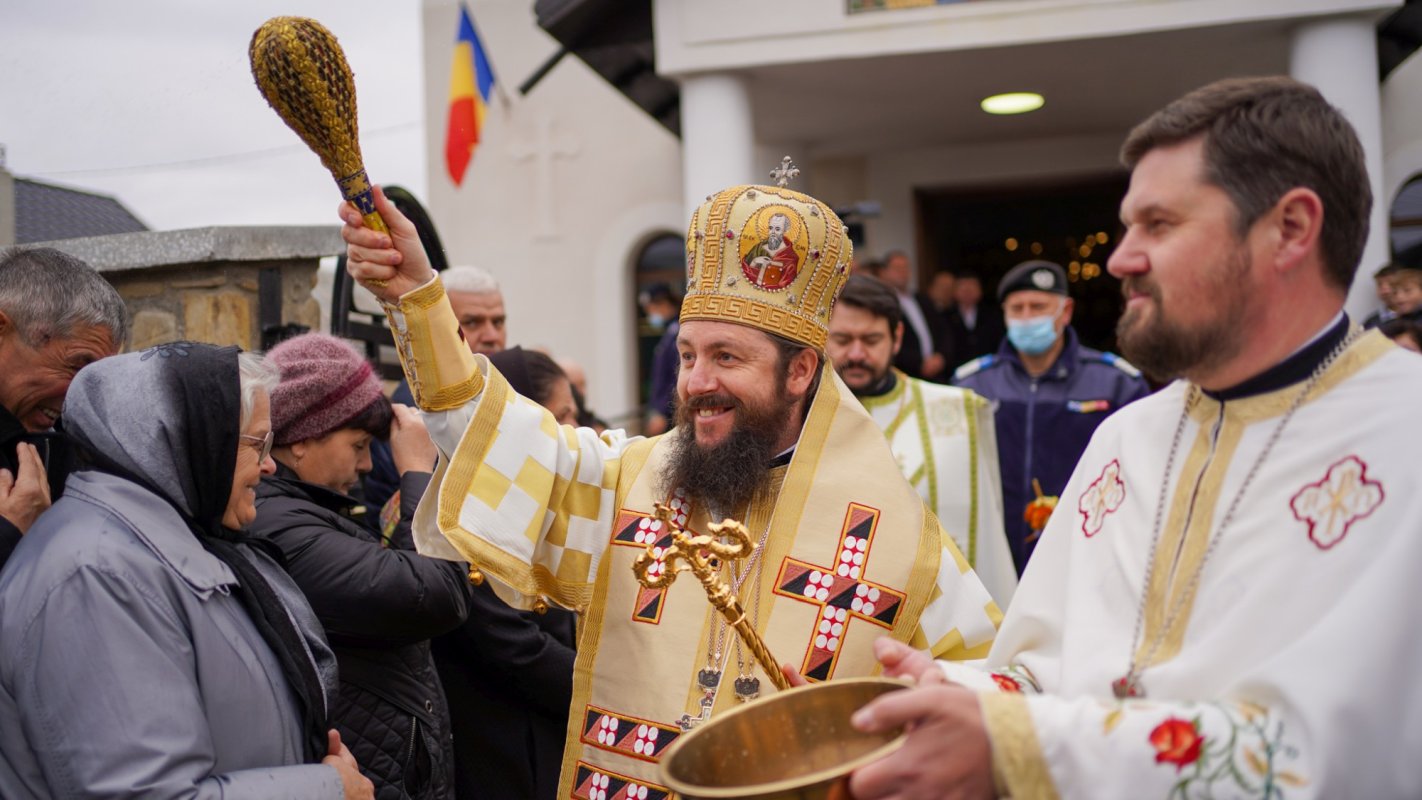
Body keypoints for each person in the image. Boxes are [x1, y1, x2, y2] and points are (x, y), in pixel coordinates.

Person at [848, 75, 1422, 800]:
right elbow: (1046, 667)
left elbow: (1340, 754)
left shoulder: (1408, 436)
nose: (1120, 258)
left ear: (1291, 229)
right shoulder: (1127, 438)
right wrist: (964, 694)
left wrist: (1020, 745)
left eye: (1159, 224)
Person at [340, 179, 1001, 798]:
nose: (696, 382)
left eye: (727, 358)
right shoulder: (630, 481)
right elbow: (497, 432)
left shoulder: (899, 542)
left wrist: (875, 748)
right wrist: (418, 298)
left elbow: (998, 695)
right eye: (687, 355)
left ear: (800, 371)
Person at [0, 342, 372, 799]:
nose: (270, 465)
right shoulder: (97, 575)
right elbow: (140, 792)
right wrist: (328, 790)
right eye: (257, 443)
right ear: (187, 441)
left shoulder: (166, 544)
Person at [249, 333, 472, 800]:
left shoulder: (303, 511)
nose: (370, 465)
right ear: (303, 440)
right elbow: (436, 595)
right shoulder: (284, 528)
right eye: (358, 445)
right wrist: (418, 474)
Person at [438, 345, 580, 800]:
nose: (577, 430)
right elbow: (512, 644)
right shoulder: (468, 507)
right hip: (503, 742)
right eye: (564, 415)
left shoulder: (535, 494)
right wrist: (599, 685)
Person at [827, 275, 1017, 605]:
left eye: (871, 340)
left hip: (935, 606)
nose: (856, 354)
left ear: (897, 337)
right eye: (842, 339)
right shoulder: (796, 417)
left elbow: (987, 535)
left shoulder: (957, 413)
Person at [953, 259, 1150, 573]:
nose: (1027, 317)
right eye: (1017, 308)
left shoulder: (1115, 383)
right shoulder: (972, 384)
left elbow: (1142, 474)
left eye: (1038, 306)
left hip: (1086, 549)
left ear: (1066, 311)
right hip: (998, 554)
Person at [0, 246, 126, 570]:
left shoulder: (66, 444)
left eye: (97, 377)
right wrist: (10, 532)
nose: (83, 396)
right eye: (77, 366)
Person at [880, 249, 952, 381]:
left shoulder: (922, 299)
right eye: (897, 268)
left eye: (906, 267)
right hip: (907, 376)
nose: (903, 272)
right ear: (885, 273)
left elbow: (942, 330)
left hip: (937, 374)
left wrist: (941, 357)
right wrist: (920, 363)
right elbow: (888, 340)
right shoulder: (883, 303)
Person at [640, 283, 681, 436]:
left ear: (663, 304)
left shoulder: (677, 332)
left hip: (670, 415)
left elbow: (675, 375)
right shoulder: (670, 332)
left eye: (651, 309)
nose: (650, 315)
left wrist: (662, 412)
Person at [945, 272, 1004, 370]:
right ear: (954, 292)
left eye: (972, 287)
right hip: (956, 370)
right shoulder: (945, 316)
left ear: (980, 291)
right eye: (963, 288)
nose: (967, 292)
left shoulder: (992, 315)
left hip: (988, 368)